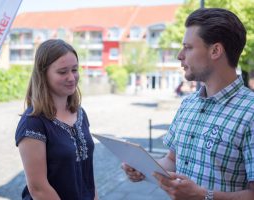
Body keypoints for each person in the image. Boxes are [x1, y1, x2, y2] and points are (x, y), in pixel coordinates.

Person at [122, 8, 254, 200]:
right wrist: (143, 168)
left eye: (188, 47)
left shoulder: (250, 112)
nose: (180, 55)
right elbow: (171, 160)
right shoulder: (188, 104)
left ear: (215, 50)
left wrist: (204, 196)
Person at [15, 39, 98, 200]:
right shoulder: (33, 122)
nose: (71, 77)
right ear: (43, 74)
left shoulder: (80, 114)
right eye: (62, 72)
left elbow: (87, 173)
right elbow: (38, 189)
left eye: (74, 70)